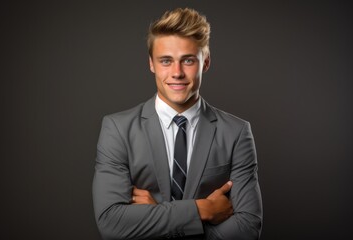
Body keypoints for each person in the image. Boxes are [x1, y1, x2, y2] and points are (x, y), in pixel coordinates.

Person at [93, 8, 262, 240]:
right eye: (166, 61)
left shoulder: (236, 132)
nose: (177, 73)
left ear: (206, 62)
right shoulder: (118, 129)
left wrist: (155, 214)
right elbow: (111, 224)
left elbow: (248, 227)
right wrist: (202, 209)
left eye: (188, 60)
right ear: (151, 64)